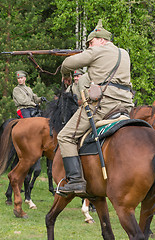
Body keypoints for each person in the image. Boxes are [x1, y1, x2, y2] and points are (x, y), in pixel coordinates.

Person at [56, 19, 134, 195]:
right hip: (125, 106)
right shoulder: (124, 53)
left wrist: (66, 75)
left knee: (65, 136)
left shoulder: (97, 50)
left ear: (101, 39)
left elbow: (67, 64)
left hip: (102, 106)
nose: (89, 46)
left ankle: (75, 180)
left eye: (91, 42)